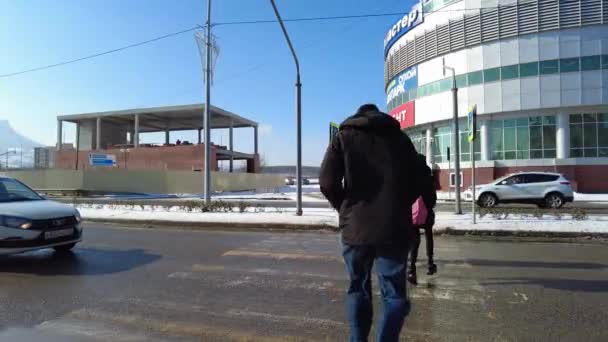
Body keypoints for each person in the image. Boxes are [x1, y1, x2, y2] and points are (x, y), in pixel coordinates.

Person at [320, 104, 422, 342]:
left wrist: (344, 207)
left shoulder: (343, 137)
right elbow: (419, 179)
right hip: (394, 227)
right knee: (394, 294)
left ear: (357, 116)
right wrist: (399, 204)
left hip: (355, 227)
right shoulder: (401, 139)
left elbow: (326, 181)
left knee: (358, 287)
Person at [408, 153, 438, 285]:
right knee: (429, 236)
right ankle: (430, 264)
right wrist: (427, 206)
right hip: (427, 213)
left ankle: (411, 270)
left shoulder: (410, 176)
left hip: (413, 214)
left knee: (414, 240)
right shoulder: (429, 177)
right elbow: (433, 198)